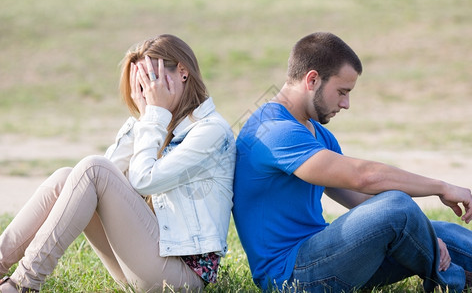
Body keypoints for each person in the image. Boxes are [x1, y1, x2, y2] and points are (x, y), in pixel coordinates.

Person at [232, 32, 472, 292]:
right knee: (397, 207)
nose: (346, 104)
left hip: (328, 258)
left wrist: (423, 234)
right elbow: (364, 177)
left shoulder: (318, 133)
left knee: (440, 232)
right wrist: (442, 187)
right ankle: (450, 282)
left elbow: (363, 198)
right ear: (312, 79)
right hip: (291, 276)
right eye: (342, 92)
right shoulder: (272, 130)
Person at [0, 34, 235, 292]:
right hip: (142, 262)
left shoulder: (211, 132)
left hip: (181, 277)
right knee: (68, 177)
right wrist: (147, 118)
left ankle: (23, 284)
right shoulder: (156, 125)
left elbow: (142, 179)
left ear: (182, 72)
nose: (148, 93)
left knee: (93, 169)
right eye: (141, 86)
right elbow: (94, 186)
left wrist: (154, 116)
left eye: (152, 80)